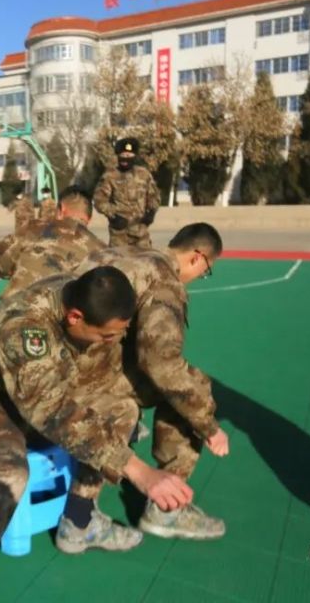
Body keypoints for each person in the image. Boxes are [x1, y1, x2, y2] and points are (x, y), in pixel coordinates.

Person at [0, 267, 193, 601]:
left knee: (122, 409)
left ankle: (79, 521)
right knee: (6, 474)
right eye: (106, 335)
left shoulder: (79, 298)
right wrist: (139, 471)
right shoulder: (26, 327)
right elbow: (51, 411)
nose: (112, 341)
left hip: (44, 394)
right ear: (75, 317)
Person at [77, 222, 229, 539]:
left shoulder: (124, 252)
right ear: (197, 257)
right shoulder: (164, 283)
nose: (200, 277)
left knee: (177, 384)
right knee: (192, 388)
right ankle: (167, 508)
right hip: (85, 383)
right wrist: (208, 424)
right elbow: (162, 365)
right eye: (206, 271)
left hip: (59, 364)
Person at [0, 186, 105, 297]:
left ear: (61, 210)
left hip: (17, 310)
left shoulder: (32, 229)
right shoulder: (101, 250)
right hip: (66, 313)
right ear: (89, 219)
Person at [93, 137, 160, 248]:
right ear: (118, 156)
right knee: (118, 263)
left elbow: (154, 196)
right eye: (123, 156)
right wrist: (113, 216)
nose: (125, 159)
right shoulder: (110, 176)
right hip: (119, 233)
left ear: (135, 156)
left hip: (141, 231)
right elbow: (99, 200)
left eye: (129, 156)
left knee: (145, 262)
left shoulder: (144, 174)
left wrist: (151, 212)